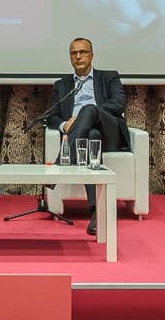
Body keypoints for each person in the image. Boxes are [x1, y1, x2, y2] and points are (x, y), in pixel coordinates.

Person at [47, 37, 130, 236]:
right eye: (74, 53)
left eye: (83, 52)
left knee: (89, 109)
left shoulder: (109, 77)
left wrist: (87, 114)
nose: (78, 56)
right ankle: (97, 213)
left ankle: (60, 164)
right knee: (90, 136)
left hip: (109, 131)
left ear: (92, 55)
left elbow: (119, 104)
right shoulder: (62, 85)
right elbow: (51, 117)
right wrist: (63, 123)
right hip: (85, 136)